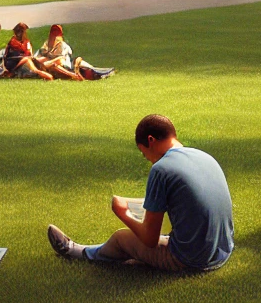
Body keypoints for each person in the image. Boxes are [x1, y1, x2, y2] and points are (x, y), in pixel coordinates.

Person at [47, 112, 234, 272]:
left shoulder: (162, 169)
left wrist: (122, 212)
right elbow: (179, 199)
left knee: (122, 238)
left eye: (144, 153)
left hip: (193, 259)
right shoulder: (203, 156)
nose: (148, 160)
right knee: (159, 225)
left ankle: (76, 251)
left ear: (150, 140)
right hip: (222, 249)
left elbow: (150, 239)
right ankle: (121, 254)